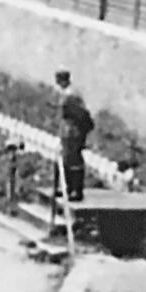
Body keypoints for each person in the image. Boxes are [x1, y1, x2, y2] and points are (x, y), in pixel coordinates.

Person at [55, 69, 95, 209]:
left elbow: (78, 116)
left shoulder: (71, 95)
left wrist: (80, 131)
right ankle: (68, 187)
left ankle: (76, 190)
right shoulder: (66, 93)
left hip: (74, 132)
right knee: (67, 159)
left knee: (74, 160)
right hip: (68, 132)